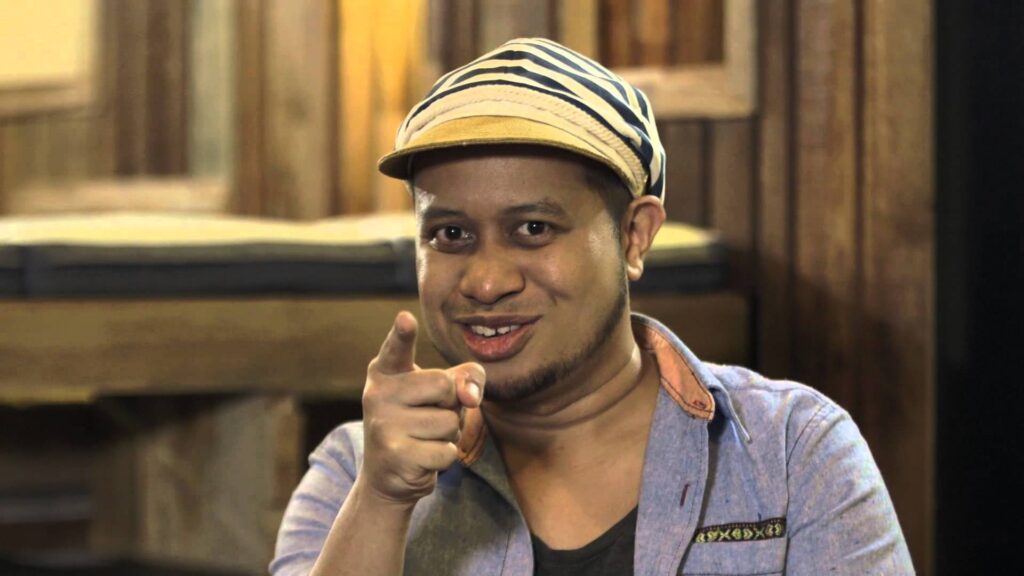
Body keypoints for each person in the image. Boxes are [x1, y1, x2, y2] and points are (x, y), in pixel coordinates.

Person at [270, 38, 913, 576]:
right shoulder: (355, 474)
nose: (486, 282)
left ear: (634, 236)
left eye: (533, 229)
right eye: (451, 234)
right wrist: (382, 501)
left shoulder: (790, 452)